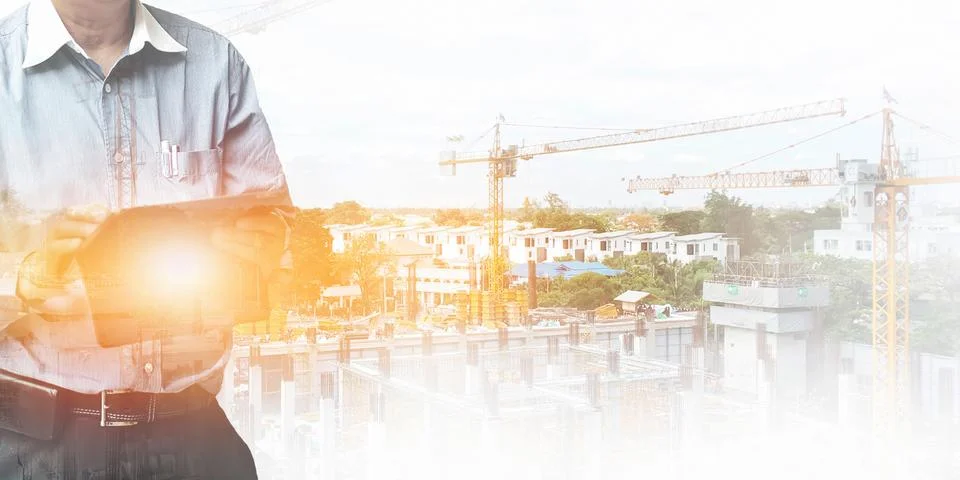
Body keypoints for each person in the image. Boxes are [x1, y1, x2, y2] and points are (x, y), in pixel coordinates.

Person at [0, 1, 291, 478]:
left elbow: (273, 222)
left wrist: (269, 242)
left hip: (199, 439)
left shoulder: (215, 62)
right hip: (33, 452)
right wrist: (24, 276)